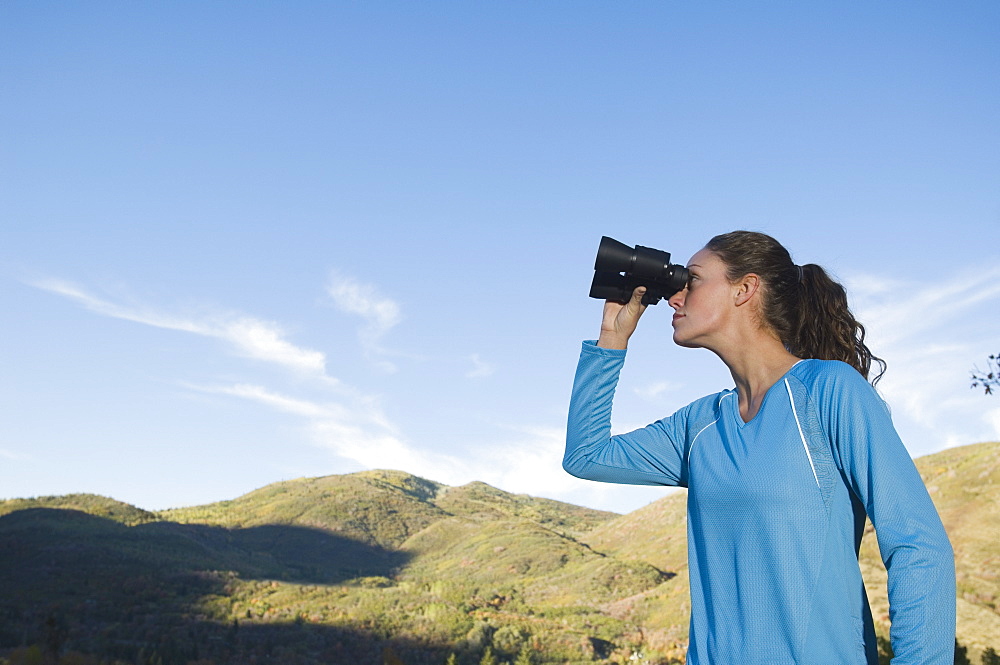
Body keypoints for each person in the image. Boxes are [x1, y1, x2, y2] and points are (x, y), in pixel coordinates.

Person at [563, 231, 955, 665]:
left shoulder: (829, 392)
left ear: (745, 289)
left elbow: (918, 546)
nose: (675, 297)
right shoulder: (701, 424)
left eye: (691, 280)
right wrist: (610, 340)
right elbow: (587, 455)